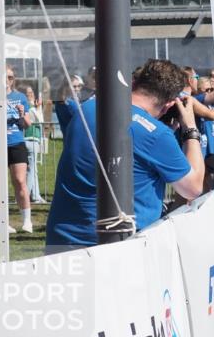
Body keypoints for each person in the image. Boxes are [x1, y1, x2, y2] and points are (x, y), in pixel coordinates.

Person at [46, 59, 205, 251]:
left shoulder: (87, 108)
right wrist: (190, 128)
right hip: (117, 247)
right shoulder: (156, 135)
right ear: (169, 104)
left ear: (135, 83)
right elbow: (193, 188)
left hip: (62, 239)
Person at [0, 68, 33, 233]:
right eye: (4, 76)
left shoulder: (20, 97)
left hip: (16, 141)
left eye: (10, 77)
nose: (7, 80)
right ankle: (1, 223)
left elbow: (27, 124)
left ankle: (27, 221)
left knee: (20, 181)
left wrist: (22, 115)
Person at [20, 83, 46, 204]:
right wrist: (38, 108)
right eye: (28, 94)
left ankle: (36, 195)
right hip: (30, 139)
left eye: (31, 93)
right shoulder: (29, 108)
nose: (30, 95)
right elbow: (40, 120)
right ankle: (25, 194)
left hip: (32, 139)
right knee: (31, 169)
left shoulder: (30, 107)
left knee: (33, 169)